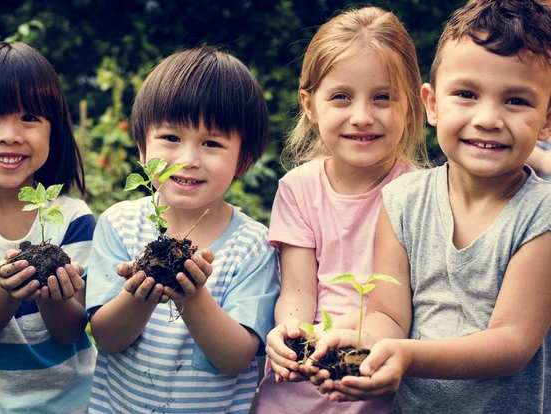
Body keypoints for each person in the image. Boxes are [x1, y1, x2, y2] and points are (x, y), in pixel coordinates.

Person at [308, 1, 551, 412]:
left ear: (547, 120)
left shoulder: (540, 215)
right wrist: (351, 341)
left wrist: (408, 356)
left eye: (516, 101)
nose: (488, 118)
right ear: (432, 103)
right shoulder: (403, 201)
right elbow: (388, 316)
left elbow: (512, 342)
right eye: (467, 94)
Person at [85, 46, 280, 413]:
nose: (188, 159)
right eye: (171, 139)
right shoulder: (118, 225)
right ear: (142, 147)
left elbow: (237, 358)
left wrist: (193, 297)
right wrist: (139, 294)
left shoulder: (253, 245)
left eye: (212, 143)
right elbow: (107, 338)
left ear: (244, 159)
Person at [255, 6, 428, 414]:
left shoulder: (421, 194)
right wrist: (289, 332)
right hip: (293, 392)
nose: (362, 116)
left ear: (410, 105)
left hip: (371, 389)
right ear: (310, 104)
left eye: (382, 97)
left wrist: (346, 336)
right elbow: (298, 291)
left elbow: (396, 313)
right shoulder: (298, 189)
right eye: (341, 97)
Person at [0, 42, 96, 412]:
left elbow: (69, 332)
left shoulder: (74, 217)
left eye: (30, 117)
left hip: (71, 402)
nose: (10, 134)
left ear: (55, 130)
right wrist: (8, 290)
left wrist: (55, 296)